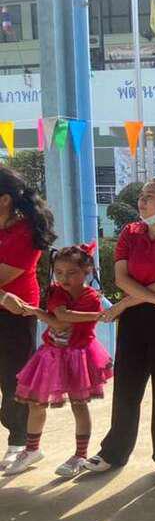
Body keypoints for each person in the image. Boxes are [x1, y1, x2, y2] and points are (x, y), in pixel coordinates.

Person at [84, 177, 155, 480]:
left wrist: (121, 305)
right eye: (141, 196)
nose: (142, 202)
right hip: (136, 320)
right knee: (127, 387)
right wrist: (149, 301)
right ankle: (114, 452)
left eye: (149, 196)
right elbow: (121, 278)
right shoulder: (131, 232)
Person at [3, 244, 114, 477]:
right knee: (36, 403)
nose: (64, 278)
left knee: (78, 404)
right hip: (51, 355)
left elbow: (61, 320)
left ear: (87, 271)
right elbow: (59, 317)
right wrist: (37, 311)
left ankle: (80, 455)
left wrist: (37, 312)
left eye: (72, 273)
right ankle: (32, 449)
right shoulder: (56, 291)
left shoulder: (91, 297)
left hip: (78, 357)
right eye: (59, 272)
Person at [0, 167, 56, 471]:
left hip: (15, 314)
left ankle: (19, 443)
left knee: (14, 379)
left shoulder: (26, 233)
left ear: (4, 199)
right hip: (4, 302)